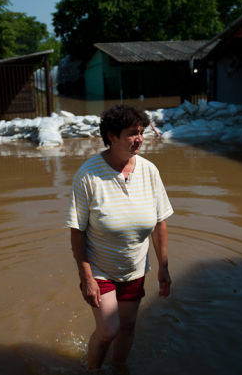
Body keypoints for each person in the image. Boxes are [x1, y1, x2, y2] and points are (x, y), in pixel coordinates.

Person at [66, 104, 173, 370]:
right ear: (111, 136)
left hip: (134, 268)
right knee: (108, 329)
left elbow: (160, 223)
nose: (139, 139)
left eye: (141, 132)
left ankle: (119, 367)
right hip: (100, 268)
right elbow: (77, 232)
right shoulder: (88, 175)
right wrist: (86, 278)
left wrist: (163, 267)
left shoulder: (149, 171)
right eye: (131, 133)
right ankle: (92, 369)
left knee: (127, 327)